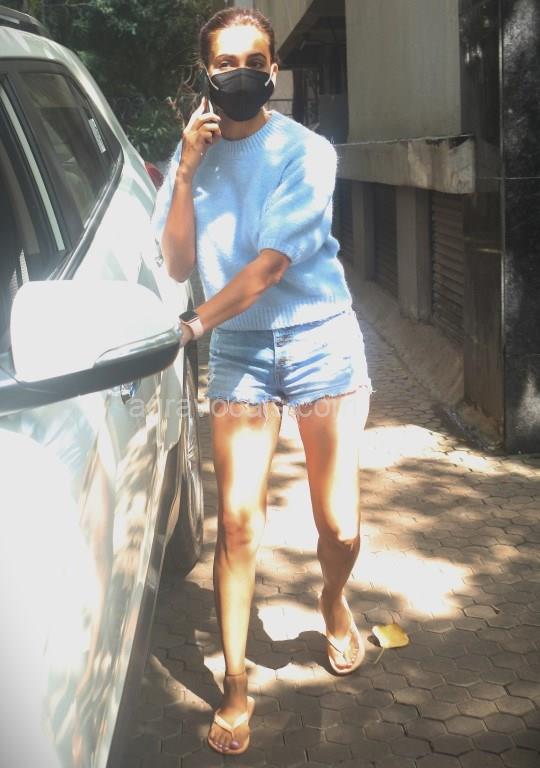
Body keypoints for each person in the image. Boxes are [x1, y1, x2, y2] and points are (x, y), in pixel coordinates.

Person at [152, 7, 372, 757]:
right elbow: (178, 263)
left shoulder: (307, 152)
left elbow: (272, 265)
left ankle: (334, 601)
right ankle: (238, 684)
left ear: (273, 71)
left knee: (339, 526)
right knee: (238, 522)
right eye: (226, 62)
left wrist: (191, 327)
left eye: (255, 61)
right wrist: (185, 170)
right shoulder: (194, 155)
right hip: (242, 350)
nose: (240, 73)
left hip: (318, 340)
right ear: (206, 73)